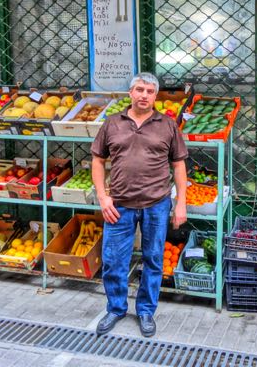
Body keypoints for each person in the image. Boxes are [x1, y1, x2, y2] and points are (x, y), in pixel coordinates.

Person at [91, 72, 188, 337]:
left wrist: (181, 203)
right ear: (130, 93)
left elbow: (179, 165)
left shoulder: (168, 125)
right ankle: (116, 308)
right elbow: (98, 161)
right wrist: (102, 196)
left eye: (149, 91)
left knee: (154, 259)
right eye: (139, 90)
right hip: (119, 204)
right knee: (113, 260)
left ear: (155, 96)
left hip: (156, 203)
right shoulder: (112, 123)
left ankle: (146, 311)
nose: (144, 95)